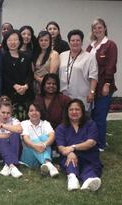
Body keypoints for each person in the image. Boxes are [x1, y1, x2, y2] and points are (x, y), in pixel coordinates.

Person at [56, 99, 102, 191]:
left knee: (89, 167)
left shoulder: (90, 124)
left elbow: (91, 142)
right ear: (67, 112)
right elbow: (61, 148)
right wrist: (69, 153)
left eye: (77, 109)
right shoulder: (61, 128)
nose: (74, 112)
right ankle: (72, 179)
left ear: (82, 111)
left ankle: (89, 180)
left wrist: (73, 148)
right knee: (71, 162)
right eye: (71, 109)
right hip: (69, 157)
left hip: (89, 155)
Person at [86, 18, 118, 151]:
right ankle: (94, 139)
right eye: (95, 28)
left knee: (100, 114)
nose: (97, 30)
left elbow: (111, 65)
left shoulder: (110, 45)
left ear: (105, 28)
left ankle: (100, 144)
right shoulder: (90, 46)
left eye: (100, 27)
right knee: (91, 115)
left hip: (104, 85)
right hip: (91, 86)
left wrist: (107, 83)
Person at [59, 29, 98, 113]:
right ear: (69, 42)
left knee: (83, 122)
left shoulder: (89, 57)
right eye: (72, 40)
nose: (75, 42)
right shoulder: (62, 55)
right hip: (64, 96)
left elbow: (94, 76)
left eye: (78, 40)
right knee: (66, 121)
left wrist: (91, 92)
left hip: (82, 96)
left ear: (82, 42)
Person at [1, 29, 34, 121]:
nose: (13, 42)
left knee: (23, 124)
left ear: (20, 41)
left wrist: (26, 86)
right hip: (8, 95)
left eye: (15, 40)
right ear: (6, 41)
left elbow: (30, 74)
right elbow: (3, 75)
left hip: (24, 96)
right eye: (10, 40)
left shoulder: (26, 56)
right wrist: (14, 85)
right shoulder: (2, 57)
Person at [0, 96, 23, 178]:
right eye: (3, 112)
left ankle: (8, 165)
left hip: (15, 148)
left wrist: (3, 126)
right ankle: (13, 165)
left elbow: (19, 130)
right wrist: (10, 133)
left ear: (11, 113)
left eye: (8, 113)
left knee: (15, 135)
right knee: (2, 140)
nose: (5, 115)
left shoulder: (14, 121)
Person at [20, 103, 59, 177]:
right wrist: (35, 146)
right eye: (31, 110)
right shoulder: (24, 123)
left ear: (40, 113)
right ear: (28, 113)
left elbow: (52, 136)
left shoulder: (46, 123)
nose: (34, 113)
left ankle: (46, 165)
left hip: (42, 153)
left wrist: (44, 145)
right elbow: (26, 139)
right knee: (36, 140)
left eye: (37, 110)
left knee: (45, 138)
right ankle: (50, 165)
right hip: (29, 158)